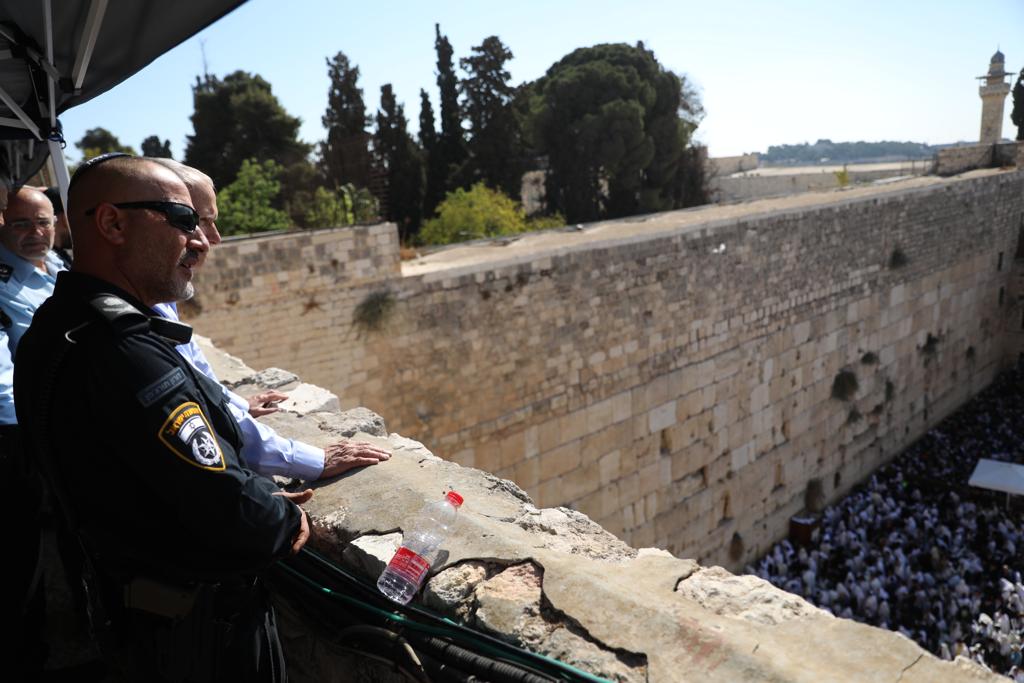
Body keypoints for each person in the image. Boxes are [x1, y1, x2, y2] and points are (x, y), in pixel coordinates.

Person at [15, 154, 305, 682]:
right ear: (112, 223)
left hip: (132, 612)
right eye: (183, 219)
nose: (201, 241)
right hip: (198, 634)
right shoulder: (124, 351)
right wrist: (287, 519)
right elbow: (236, 512)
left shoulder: (53, 326)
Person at [147, 157, 391, 480]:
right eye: (197, 220)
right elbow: (193, 411)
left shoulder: (158, 295)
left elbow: (194, 369)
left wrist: (234, 403)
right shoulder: (131, 322)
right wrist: (311, 461)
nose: (214, 238)